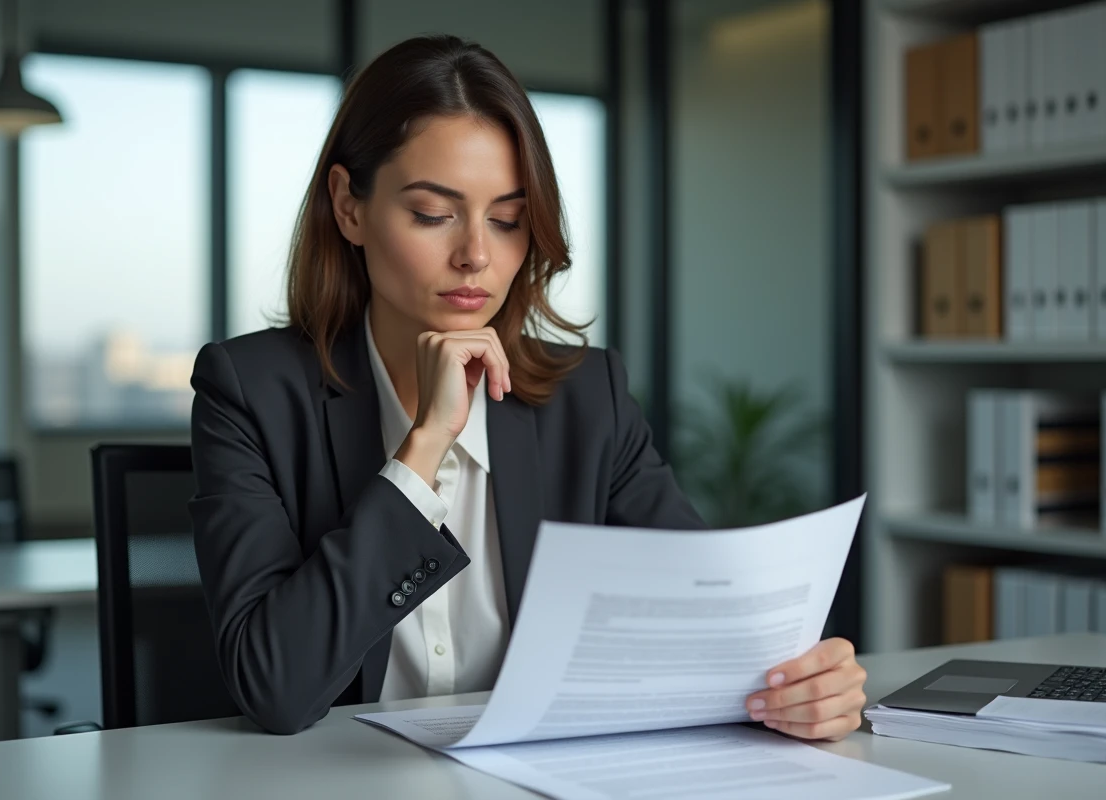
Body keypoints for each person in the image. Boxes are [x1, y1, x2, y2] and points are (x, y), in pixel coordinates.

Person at [188, 33, 866, 739]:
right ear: (350, 207)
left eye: (508, 220)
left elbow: (709, 630)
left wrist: (804, 686)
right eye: (433, 213)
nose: (477, 254)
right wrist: (421, 453)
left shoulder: (588, 399)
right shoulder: (250, 392)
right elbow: (273, 687)